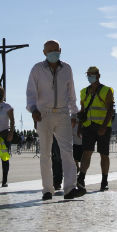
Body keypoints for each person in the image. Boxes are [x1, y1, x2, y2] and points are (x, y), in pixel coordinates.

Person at [25, 40, 85, 201]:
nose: (54, 53)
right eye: (50, 51)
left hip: (63, 114)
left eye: (56, 50)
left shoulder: (67, 68)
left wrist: (74, 113)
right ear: (44, 53)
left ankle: (70, 188)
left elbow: (71, 93)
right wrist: (33, 109)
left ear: (60, 50)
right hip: (43, 114)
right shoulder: (37, 69)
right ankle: (47, 190)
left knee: (67, 152)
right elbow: (31, 92)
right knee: (45, 153)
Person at [76, 66, 116, 191]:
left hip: (103, 127)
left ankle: (104, 181)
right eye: (88, 74)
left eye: (92, 74)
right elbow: (82, 111)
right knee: (86, 152)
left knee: (104, 154)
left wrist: (103, 127)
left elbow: (110, 110)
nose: (90, 77)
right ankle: (81, 178)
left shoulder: (106, 90)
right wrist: (79, 126)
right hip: (88, 126)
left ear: (98, 75)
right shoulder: (84, 91)